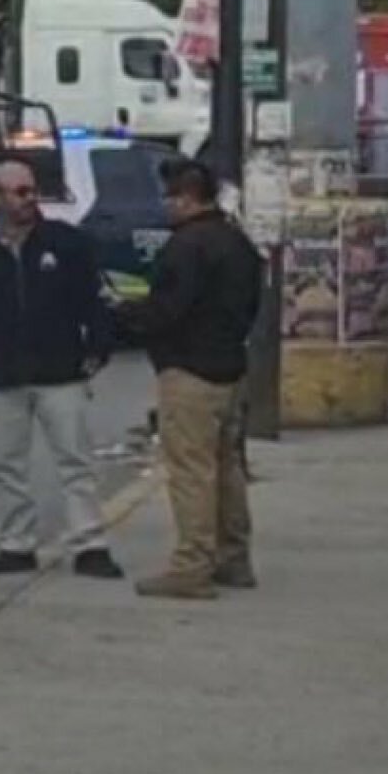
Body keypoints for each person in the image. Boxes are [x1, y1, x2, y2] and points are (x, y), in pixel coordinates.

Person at [0, 159, 124, 581]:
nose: (29, 199)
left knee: (75, 460)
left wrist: (98, 347)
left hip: (60, 369)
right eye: (19, 192)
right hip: (0, 372)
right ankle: (16, 544)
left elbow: (95, 299)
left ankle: (90, 543)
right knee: (6, 464)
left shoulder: (67, 243)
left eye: (31, 190)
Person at [112, 158, 264, 600]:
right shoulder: (237, 241)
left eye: (170, 197)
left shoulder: (185, 247)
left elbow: (166, 310)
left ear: (185, 198)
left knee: (191, 471)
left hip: (189, 369)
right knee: (227, 467)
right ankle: (234, 556)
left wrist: (124, 313)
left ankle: (192, 564)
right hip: (229, 366)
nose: (166, 206)